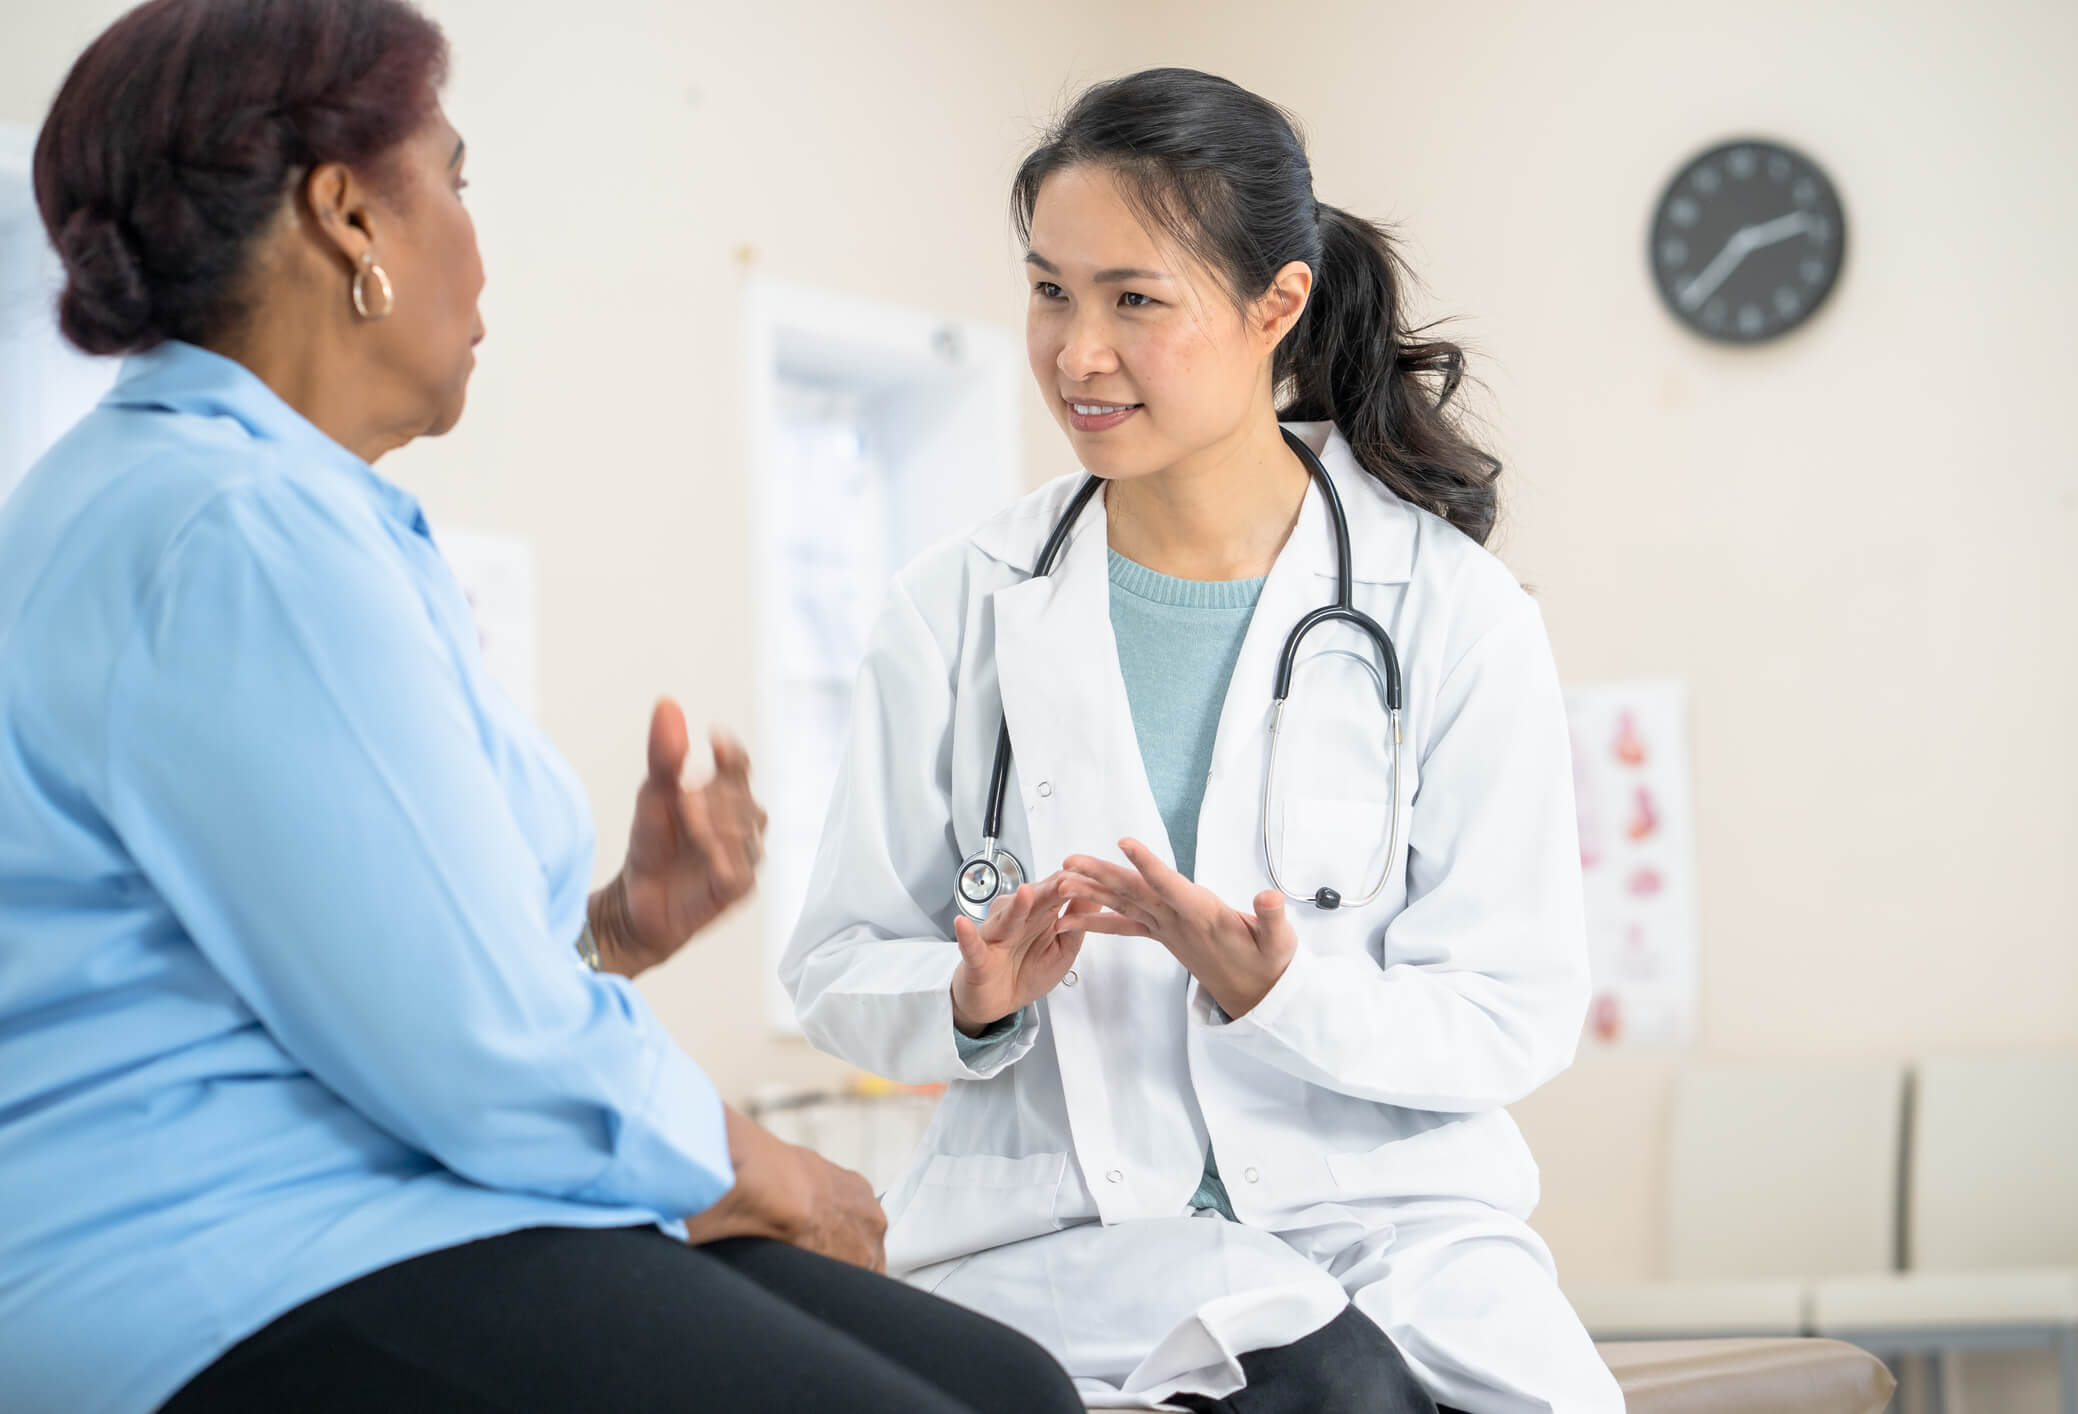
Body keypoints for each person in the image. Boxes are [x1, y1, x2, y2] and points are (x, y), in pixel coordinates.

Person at [0, 4, 1082, 1413]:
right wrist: (768, 1167)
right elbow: (470, 1049)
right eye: (453, 180)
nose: (474, 241)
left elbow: (373, 967)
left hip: (380, 1203)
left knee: (1009, 1384)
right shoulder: (235, 528)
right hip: (222, 1260)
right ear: (344, 217)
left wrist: (615, 927)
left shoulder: (258, 506)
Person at [782, 68, 1625, 1413]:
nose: (1075, 352)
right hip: (1057, 1248)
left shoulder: (1449, 612)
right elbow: (832, 960)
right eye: (1049, 289)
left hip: (1386, 1239)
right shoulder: (954, 608)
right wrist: (971, 997)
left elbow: (1509, 1010)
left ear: (1273, 304)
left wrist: (1278, 995)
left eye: (1134, 299)